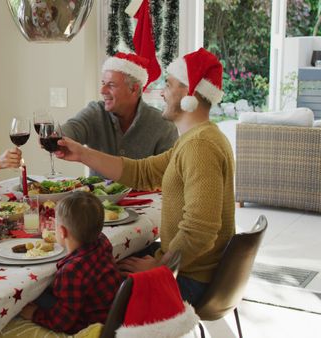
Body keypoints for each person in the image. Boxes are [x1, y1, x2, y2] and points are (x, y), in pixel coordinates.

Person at [54, 48, 235, 305]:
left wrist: (160, 266)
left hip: (191, 278)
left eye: (169, 85)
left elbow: (200, 230)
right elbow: (142, 172)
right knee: (99, 267)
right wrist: (82, 153)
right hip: (191, 269)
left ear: (188, 94)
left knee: (85, 290)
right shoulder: (197, 138)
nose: (162, 92)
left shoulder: (200, 146)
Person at [0, 191, 122, 337]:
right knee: (40, 291)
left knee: (30, 294)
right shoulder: (102, 240)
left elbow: (62, 321)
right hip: (111, 315)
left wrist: (34, 314)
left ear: (62, 232)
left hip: (87, 324)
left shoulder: (71, 271)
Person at [61, 52, 177, 178]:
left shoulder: (163, 124)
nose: (102, 90)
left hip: (147, 197)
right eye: (103, 83)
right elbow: (73, 127)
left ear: (133, 89)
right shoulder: (95, 112)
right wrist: (56, 136)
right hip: (99, 196)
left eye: (111, 85)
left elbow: (169, 173)